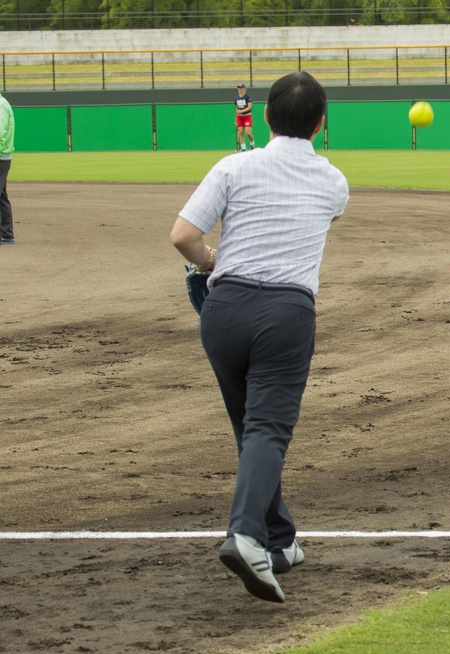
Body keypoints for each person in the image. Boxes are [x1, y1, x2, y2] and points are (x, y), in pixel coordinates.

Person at [170, 71, 349, 603]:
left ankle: (279, 539)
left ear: (264, 116)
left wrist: (212, 260)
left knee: (251, 428)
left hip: (222, 310)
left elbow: (183, 235)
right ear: (320, 123)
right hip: (286, 312)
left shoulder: (233, 165)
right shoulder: (334, 181)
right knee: (268, 428)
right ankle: (246, 536)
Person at [0, 91, 14, 244]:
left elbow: (0, 133)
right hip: (3, 156)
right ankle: (7, 233)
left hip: (0, 156)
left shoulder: (0, 105)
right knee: (2, 195)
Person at [234, 83, 255, 152]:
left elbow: (249, 107)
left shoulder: (247, 97)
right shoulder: (236, 98)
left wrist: (242, 111)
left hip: (247, 116)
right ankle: (243, 148)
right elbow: (236, 109)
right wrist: (236, 119)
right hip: (239, 117)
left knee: (248, 133)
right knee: (241, 133)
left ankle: (252, 144)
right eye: (239, 88)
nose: (240, 89)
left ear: (244, 89)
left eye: (241, 88)